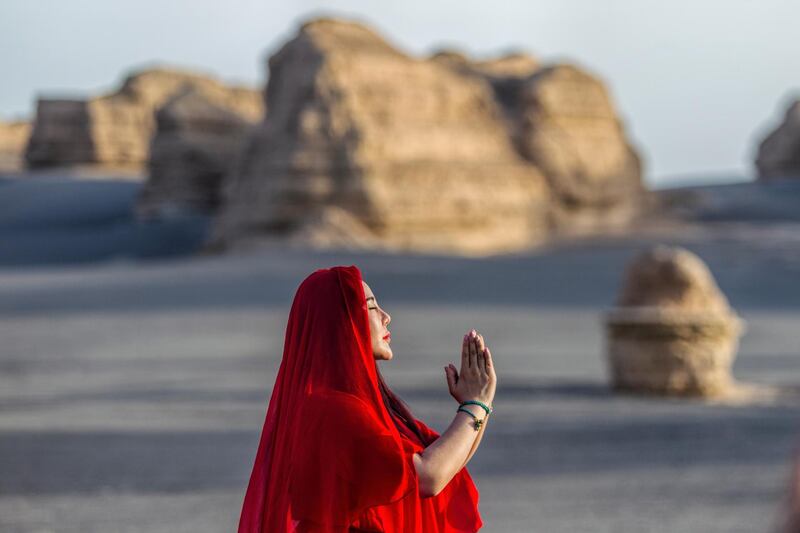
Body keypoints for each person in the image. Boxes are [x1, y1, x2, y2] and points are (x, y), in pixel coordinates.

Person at [238, 265, 497, 532]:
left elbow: (447, 462)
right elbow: (427, 476)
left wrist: (481, 403)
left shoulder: (355, 404)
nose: (386, 317)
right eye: (372, 307)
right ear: (341, 320)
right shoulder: (335, 409)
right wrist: (473, 406)